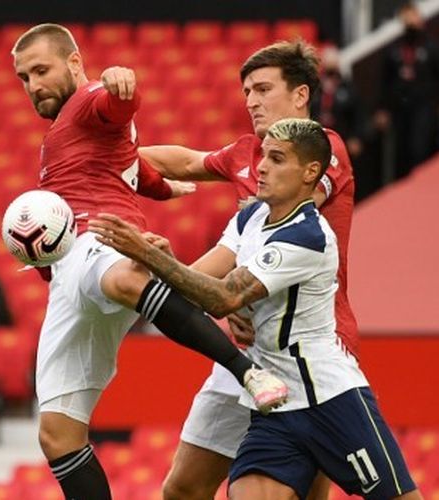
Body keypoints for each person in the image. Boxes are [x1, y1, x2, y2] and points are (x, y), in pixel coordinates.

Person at [11, 23, 287, 499]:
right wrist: (162, 187)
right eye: (24, 77)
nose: (33, 85)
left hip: (100, 238)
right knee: (56, 433)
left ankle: (248, 372)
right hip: (67, 278)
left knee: (121, 278)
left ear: (74, 64)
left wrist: (121, 86)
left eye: (41, 70)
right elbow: (126, 165)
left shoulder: (88, 99)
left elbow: (113, 106)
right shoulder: (61, 135)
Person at [91, 117, 420, 500]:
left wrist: (150, 255)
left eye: (277, 159)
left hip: (329, 400)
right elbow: (204, 284)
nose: (261, 166)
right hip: (273, 405)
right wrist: (158, 265)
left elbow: (224, 297)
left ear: (310, 172)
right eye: (263, 155)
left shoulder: (308, 237)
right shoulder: (252, 216)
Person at [137, 41, 358, 499]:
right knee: (181, 489)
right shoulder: (246, 153)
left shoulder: (324, 149)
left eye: (262, 88)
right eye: (246, 92)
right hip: (248, 354)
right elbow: (185, 161)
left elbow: (291, 221)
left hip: (311, 352)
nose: (251, 101)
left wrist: (235, 293)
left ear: (300, 95)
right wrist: (112, 154)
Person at [375, 1, 439, 180]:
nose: (411, 21)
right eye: (407, 17)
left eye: (414, 16)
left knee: (419, 146)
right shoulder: (394, 49)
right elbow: (385, 82)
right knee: (401, 149)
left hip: (424, 105)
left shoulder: (431, 47)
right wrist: (382, 109)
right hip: (400, 106)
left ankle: (420, 183)